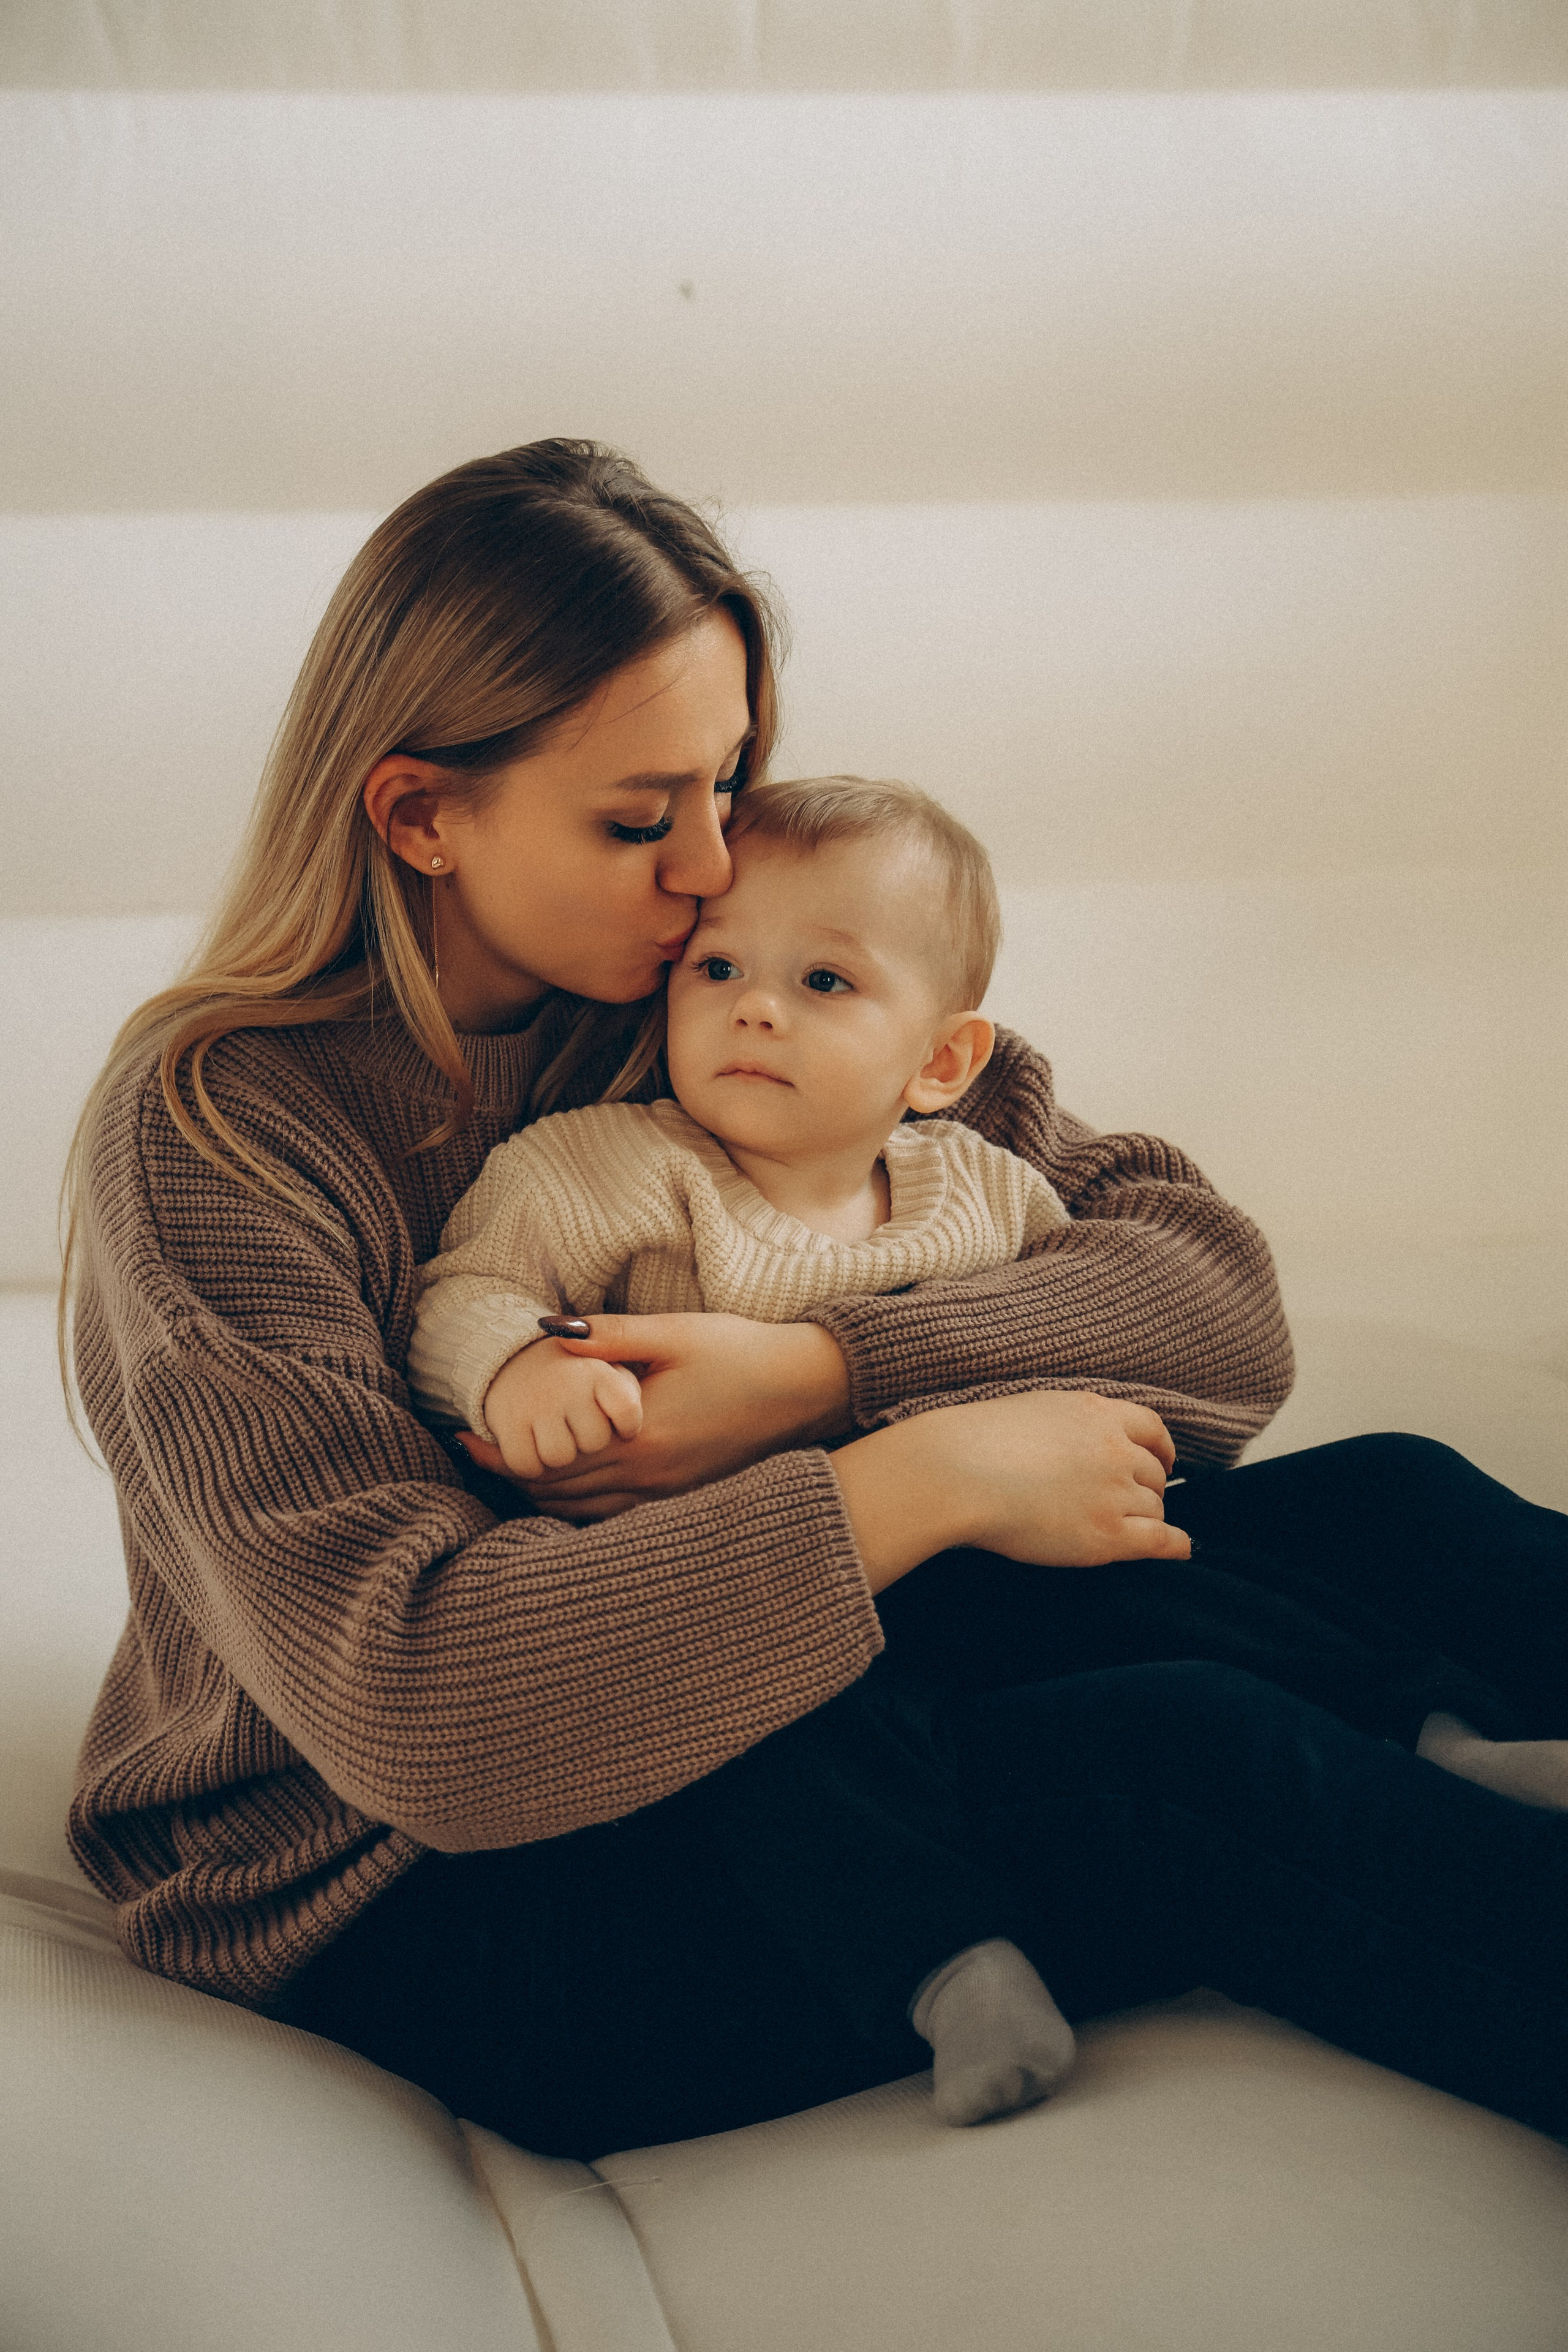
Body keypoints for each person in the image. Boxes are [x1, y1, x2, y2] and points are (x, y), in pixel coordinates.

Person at [62, 439, 1568, 2166]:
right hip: (442, 1882)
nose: (715, 865)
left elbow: (1213, 1312)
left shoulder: (711, 984)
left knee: (1394, 1504)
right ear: (421, 816)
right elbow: (427, 1706)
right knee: (1183, 1756)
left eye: (730, 780)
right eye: (643, 818)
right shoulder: (218, 1136)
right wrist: (919, 1479)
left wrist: (819, 1371)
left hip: (810, 1668)